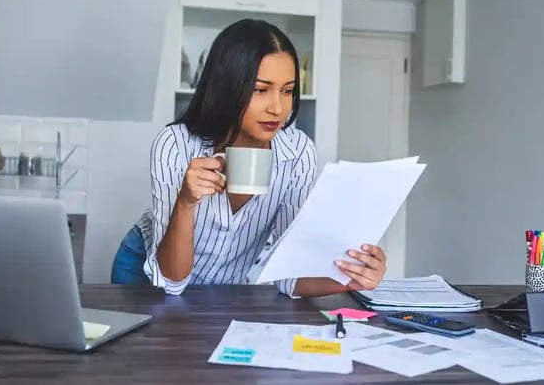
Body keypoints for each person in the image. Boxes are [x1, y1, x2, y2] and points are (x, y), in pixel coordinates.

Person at [111, 19, 387, 297]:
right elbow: (170, 282)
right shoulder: (176, 144)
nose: (277, 108)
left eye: (287, 90)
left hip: (221, 289)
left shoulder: (298, 152)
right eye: (260, 90)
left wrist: (351, 279)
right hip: (146, 271)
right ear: (227, 86)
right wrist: (185, 202)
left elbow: (286, 275)